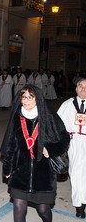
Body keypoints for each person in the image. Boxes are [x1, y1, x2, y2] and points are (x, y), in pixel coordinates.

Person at [0, 85, 70, 222]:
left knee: (43, 210)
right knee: (19, 207)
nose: (26, 101)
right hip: (20, 173)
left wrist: (51, 150)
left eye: (30, 97)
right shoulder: (17, 118)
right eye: (23, 97)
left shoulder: (48, 116)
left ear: (37, 99)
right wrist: (7, 168)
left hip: (43, 175)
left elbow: (64, 137)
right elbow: (10, 145)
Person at [57, 78, 86, 219]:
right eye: (80, 86)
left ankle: (84, 200)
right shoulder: (68, 104)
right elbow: (57, 124)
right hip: (74, 142)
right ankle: (79, 205)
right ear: (76, 89)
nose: (83, 89)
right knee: (75, 173)